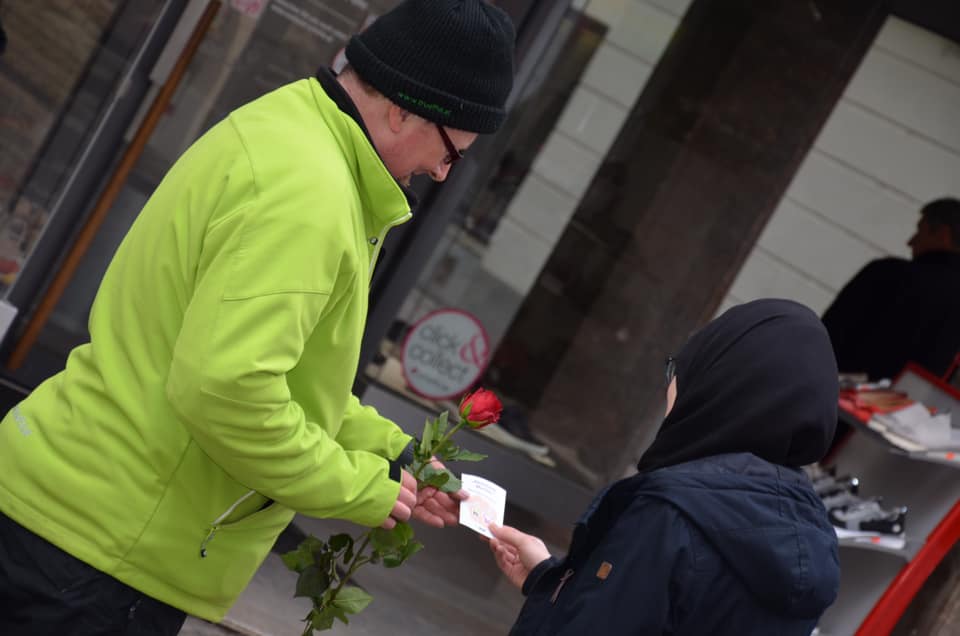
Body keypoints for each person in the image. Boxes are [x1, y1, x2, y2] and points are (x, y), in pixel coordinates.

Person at [0, 1, 515, 634]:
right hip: (105, 549)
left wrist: (396, 453)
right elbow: (228, 391)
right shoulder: (311, 194)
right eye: (452, 152)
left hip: (75, 509)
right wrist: (364, 487)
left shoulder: (289, 130)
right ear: (405, 108)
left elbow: (285, 380)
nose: (439, 171)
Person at [488, 299, 841, 635]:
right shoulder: (810, 538)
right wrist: (546, 578)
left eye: (679, 370)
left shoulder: (671, 513)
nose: (669, 387)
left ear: (719, 389)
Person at [822, 197, 960, 382]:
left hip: (835, 389)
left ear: (943, 234)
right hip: (908, 400)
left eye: (920, 230)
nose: (910, 241)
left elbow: (825, 336)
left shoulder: (888, 274)